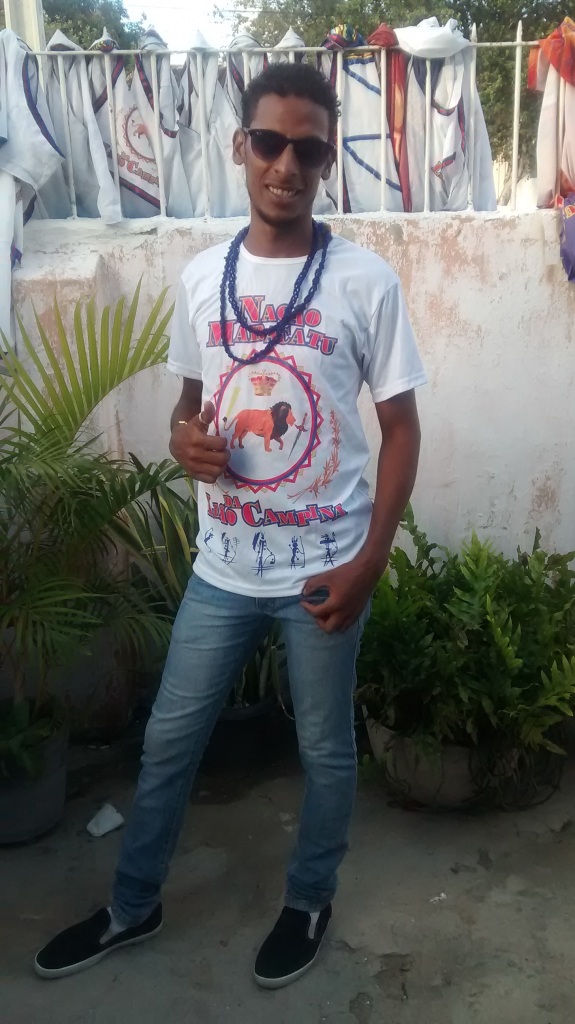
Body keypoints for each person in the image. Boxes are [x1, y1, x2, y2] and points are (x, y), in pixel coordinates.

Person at [34, 61, 426, 988]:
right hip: (222, 569)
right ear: (240, 146)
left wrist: (370, 562)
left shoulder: (365, 282)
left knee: (325, 751)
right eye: (270, 143)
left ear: (326, 162)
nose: (287, 165)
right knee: (169, 740)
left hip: (325, 570)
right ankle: (132, 905)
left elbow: (402, 430)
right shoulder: (201, 278)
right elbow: (187, 409)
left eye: (308, 150)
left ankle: (308, 899)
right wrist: (183, 443)